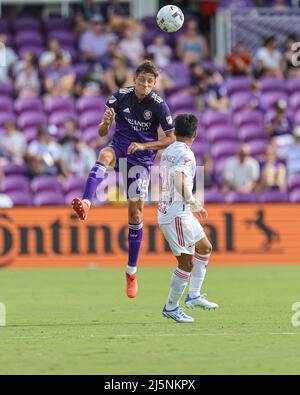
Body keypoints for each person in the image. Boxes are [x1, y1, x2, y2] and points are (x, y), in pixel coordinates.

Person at [72, 60, 175, 298]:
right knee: (103, 154)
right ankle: (86, 204)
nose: (146, 85)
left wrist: (144, 145)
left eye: (150, 82)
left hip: (140, 158)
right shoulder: (119, 97)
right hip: (119, 146)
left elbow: (171, 138)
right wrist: (105, 123)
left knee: (136, 214)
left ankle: (131, 272)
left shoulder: (159, 105)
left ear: (154, 83)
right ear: (135, 78)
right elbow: (100, 131)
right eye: (142, 80)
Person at [158, 114, 218, 323]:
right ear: (195, 133)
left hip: (177, 210)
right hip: (177, 214)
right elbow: (178, 178)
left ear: (175, 132)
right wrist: (193, 202)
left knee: (205, 248)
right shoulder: (186, 154)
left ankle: (193, 296)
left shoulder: (168, 151)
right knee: (186, 264)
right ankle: (171, 307)